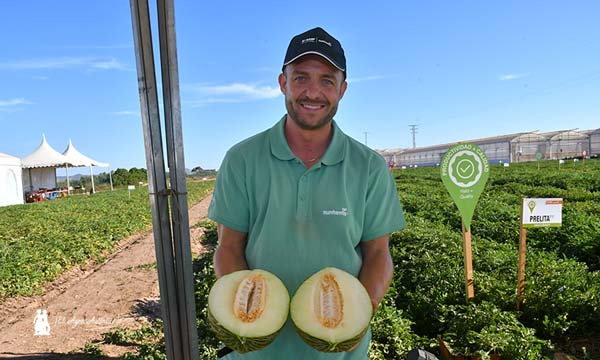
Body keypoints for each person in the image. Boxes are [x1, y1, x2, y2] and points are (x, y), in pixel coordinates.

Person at [208, 26, 405, 359]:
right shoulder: (241, 159)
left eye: (327, 80)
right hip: (259, 353)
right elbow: (228, 248)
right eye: (301, 78)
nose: (313, 92)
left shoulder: (369, 167)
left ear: (342, 89)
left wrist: (361, 313)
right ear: (283, 83)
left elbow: (378, 254)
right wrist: (246, 324)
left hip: (341, 352)